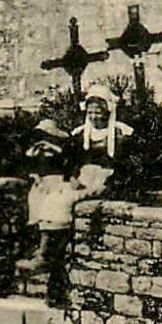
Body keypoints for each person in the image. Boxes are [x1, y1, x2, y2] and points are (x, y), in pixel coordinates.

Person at [21, 84, 134, 308]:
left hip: (105, 180)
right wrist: (72, 177)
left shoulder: (122, 133)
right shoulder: (80, 134)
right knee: (54, 196)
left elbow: (127, 165)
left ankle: (45, 254)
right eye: (91, 110)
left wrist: (112, 182)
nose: (94, 115)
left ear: (108, 110)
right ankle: (45, 251)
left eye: (99, 110)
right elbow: (72, 162)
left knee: (63, 200)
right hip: (84, 177)